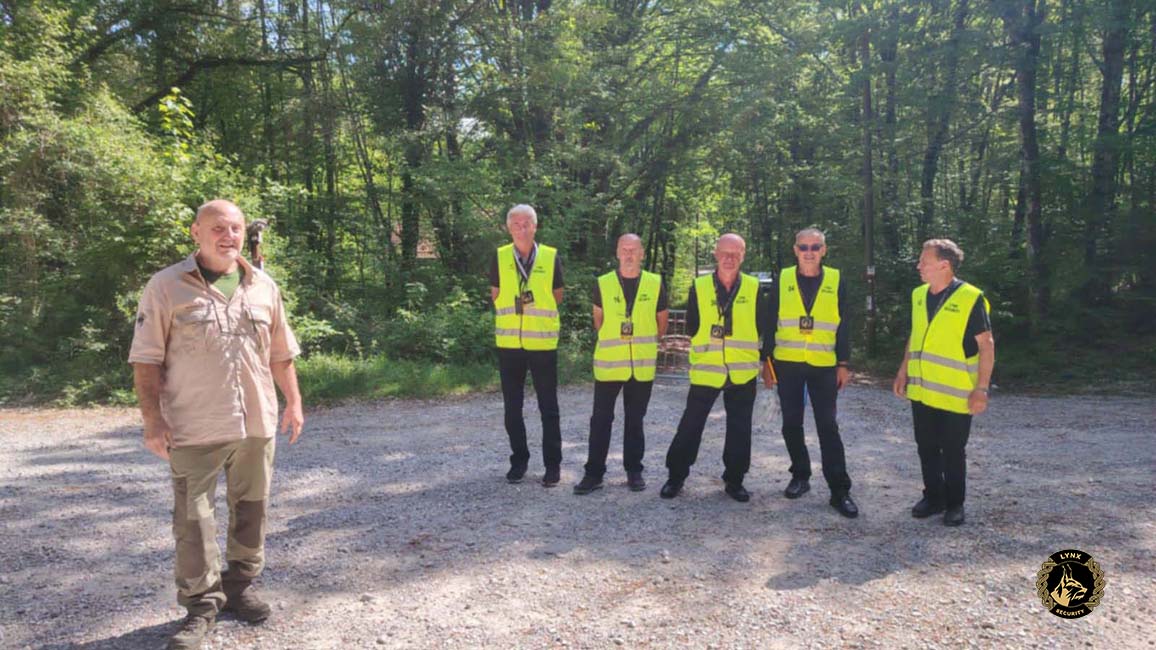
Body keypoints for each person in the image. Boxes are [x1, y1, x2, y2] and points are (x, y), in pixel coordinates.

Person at [129, 200, 304, 650]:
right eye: (218, 228)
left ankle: (240, 587)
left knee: (253, 509)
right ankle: (202, 606)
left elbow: (281, 353)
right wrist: (153, 422)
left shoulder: (263, 285)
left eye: (236, 228)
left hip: (257, 422)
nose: (229, 236)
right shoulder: (166, 286)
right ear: (196, 233)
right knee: (194, 521)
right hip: (194, 424)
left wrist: (294, 403)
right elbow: (146, 360)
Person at [661, 233, 771, 502]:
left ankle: (734, 481)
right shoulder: (698, 286)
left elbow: (764, 327)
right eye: (725, 253)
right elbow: (692, 326)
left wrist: (767, 362)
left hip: (741, 371)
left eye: (736, 253)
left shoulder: (754, 287)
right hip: (707, 369)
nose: (729, 258)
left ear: (744, 255)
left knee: (739, 428)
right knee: (690, 425)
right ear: (715, 254)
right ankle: (676, 477)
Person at [892, 239, 994, 527]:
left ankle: (955, 503)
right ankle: (933, 497)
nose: (919, 266)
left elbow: (986, 346)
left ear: (944, 265)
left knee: (952, 449)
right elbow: (916, 335)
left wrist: (981, 389)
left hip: (956, 393)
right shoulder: (918, 295)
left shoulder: (970, 298)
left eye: (924, 261)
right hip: (923, 390)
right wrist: (903, 370)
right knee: (925, 446)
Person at [763, 228, 858, 518]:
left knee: (828, 426)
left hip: (823, 365)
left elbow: (844, 324)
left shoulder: (836, 279)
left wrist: (843, 363)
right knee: (791, 423)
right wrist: (766, 363)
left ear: (824, 250)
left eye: (815, 246)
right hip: (788, 363)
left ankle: (839, 490)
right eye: (803, 246)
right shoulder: (783, 279)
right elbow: (769, 321)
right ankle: (800, 476)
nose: (809, 251)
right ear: (795, 250)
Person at [574, 234, 669, 494]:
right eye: (624, 249)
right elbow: (598, 320)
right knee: (601, 420)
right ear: (617, 253)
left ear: (642, 254)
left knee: (635, 420)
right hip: (609, 364)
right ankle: (593, 473)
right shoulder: (603, 283)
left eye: (633, 250)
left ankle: (634, 471)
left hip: (641, 363)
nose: (629, 254)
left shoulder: (655, 282)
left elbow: (662, 322)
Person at [490, 204, 565, 487]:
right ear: (509, 228)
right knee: (512, 407)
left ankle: (553, 466)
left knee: (549, 407)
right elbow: (496, 294)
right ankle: (519, 461)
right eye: (516, 223)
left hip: (543, 343)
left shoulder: (550, 256)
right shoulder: (499, 257)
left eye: (527, 223)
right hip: (509, 344)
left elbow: (556, 296)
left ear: (535, 226)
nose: (522, 227)